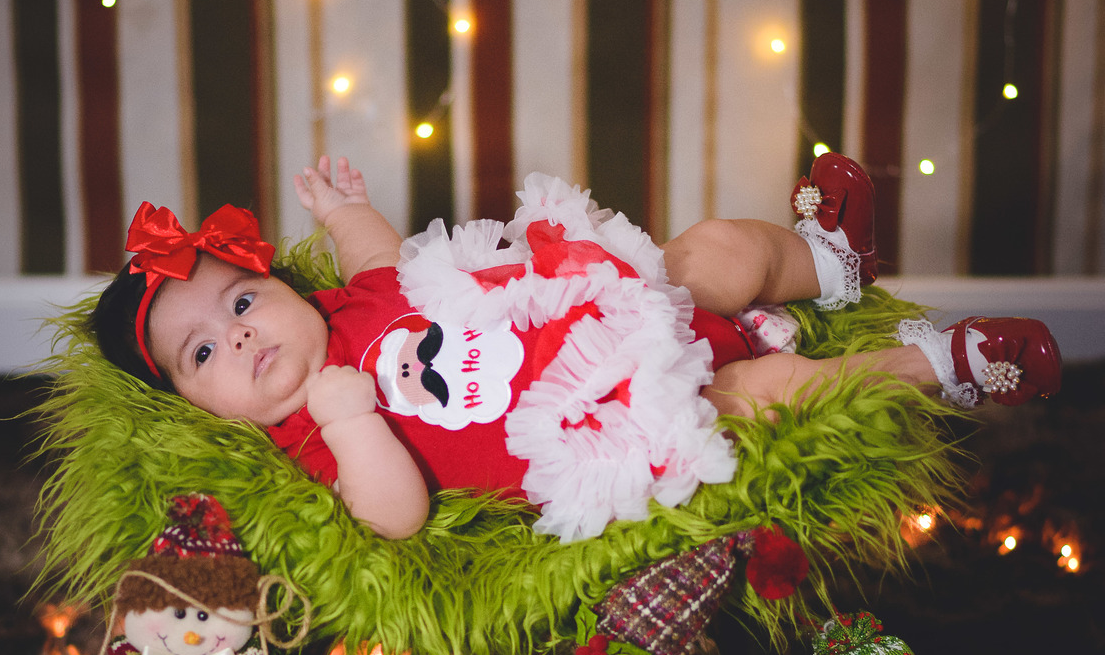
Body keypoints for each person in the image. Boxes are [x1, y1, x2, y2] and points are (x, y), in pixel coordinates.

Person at [91, 153, 1061, 543]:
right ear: (192, 406)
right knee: (765, 390)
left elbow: (384, 259)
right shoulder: (309, 433)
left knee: (712, 251)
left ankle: (829, 263)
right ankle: (940, 363)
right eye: (203, 354)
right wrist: (350, 423)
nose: (240, 334)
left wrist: (346, 210)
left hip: (623, 304)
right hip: (615, 410)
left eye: (242, 300)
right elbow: (393, 514)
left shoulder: (355, 304)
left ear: (282, 285)